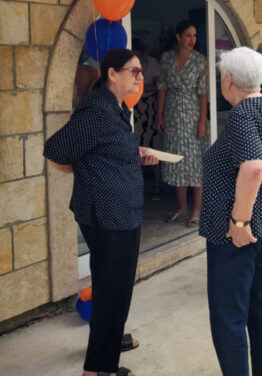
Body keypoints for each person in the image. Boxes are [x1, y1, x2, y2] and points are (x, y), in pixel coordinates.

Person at [43, 48, 159, 376]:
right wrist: (83, 170)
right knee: (112, 291)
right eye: (134, 71)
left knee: (115, 288)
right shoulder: (97, 109)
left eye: (141, 71)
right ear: (112, 73)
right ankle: (98, 368)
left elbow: (104, 148)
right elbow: (56, 150)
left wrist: (134, 154)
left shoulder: (116, 107)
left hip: (122, 212)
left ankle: (108, 342)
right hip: (107, 214)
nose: (140, 77)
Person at [199, 47, 262, 376]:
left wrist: (240, 222)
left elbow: (253, 166)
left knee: (229, 318)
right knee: (261, 309)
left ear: (228, 79)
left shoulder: (242, 114)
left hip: (239, 237)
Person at [158, 20, 208, 227]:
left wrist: (202, 121)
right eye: (188, 35)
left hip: (192, 112)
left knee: (195, 160)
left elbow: (203, 93)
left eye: (194, 36)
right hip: (172, 113)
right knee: (176, 158)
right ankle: (182, 206)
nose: (192, 40)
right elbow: (162, 87)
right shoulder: (166, 58)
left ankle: (197, 208)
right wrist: (160, 115)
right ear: (178, 37)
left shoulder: (200, 60)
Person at [132, 39, 162, 200]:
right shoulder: (129, 65)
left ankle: (157, 185)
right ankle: (138, 186)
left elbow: (160, 86)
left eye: (139, 54)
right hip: (135, 107)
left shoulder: (153, 63)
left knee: (152, 145)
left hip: (150, 106)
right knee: (136, 145)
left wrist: (147, 87)